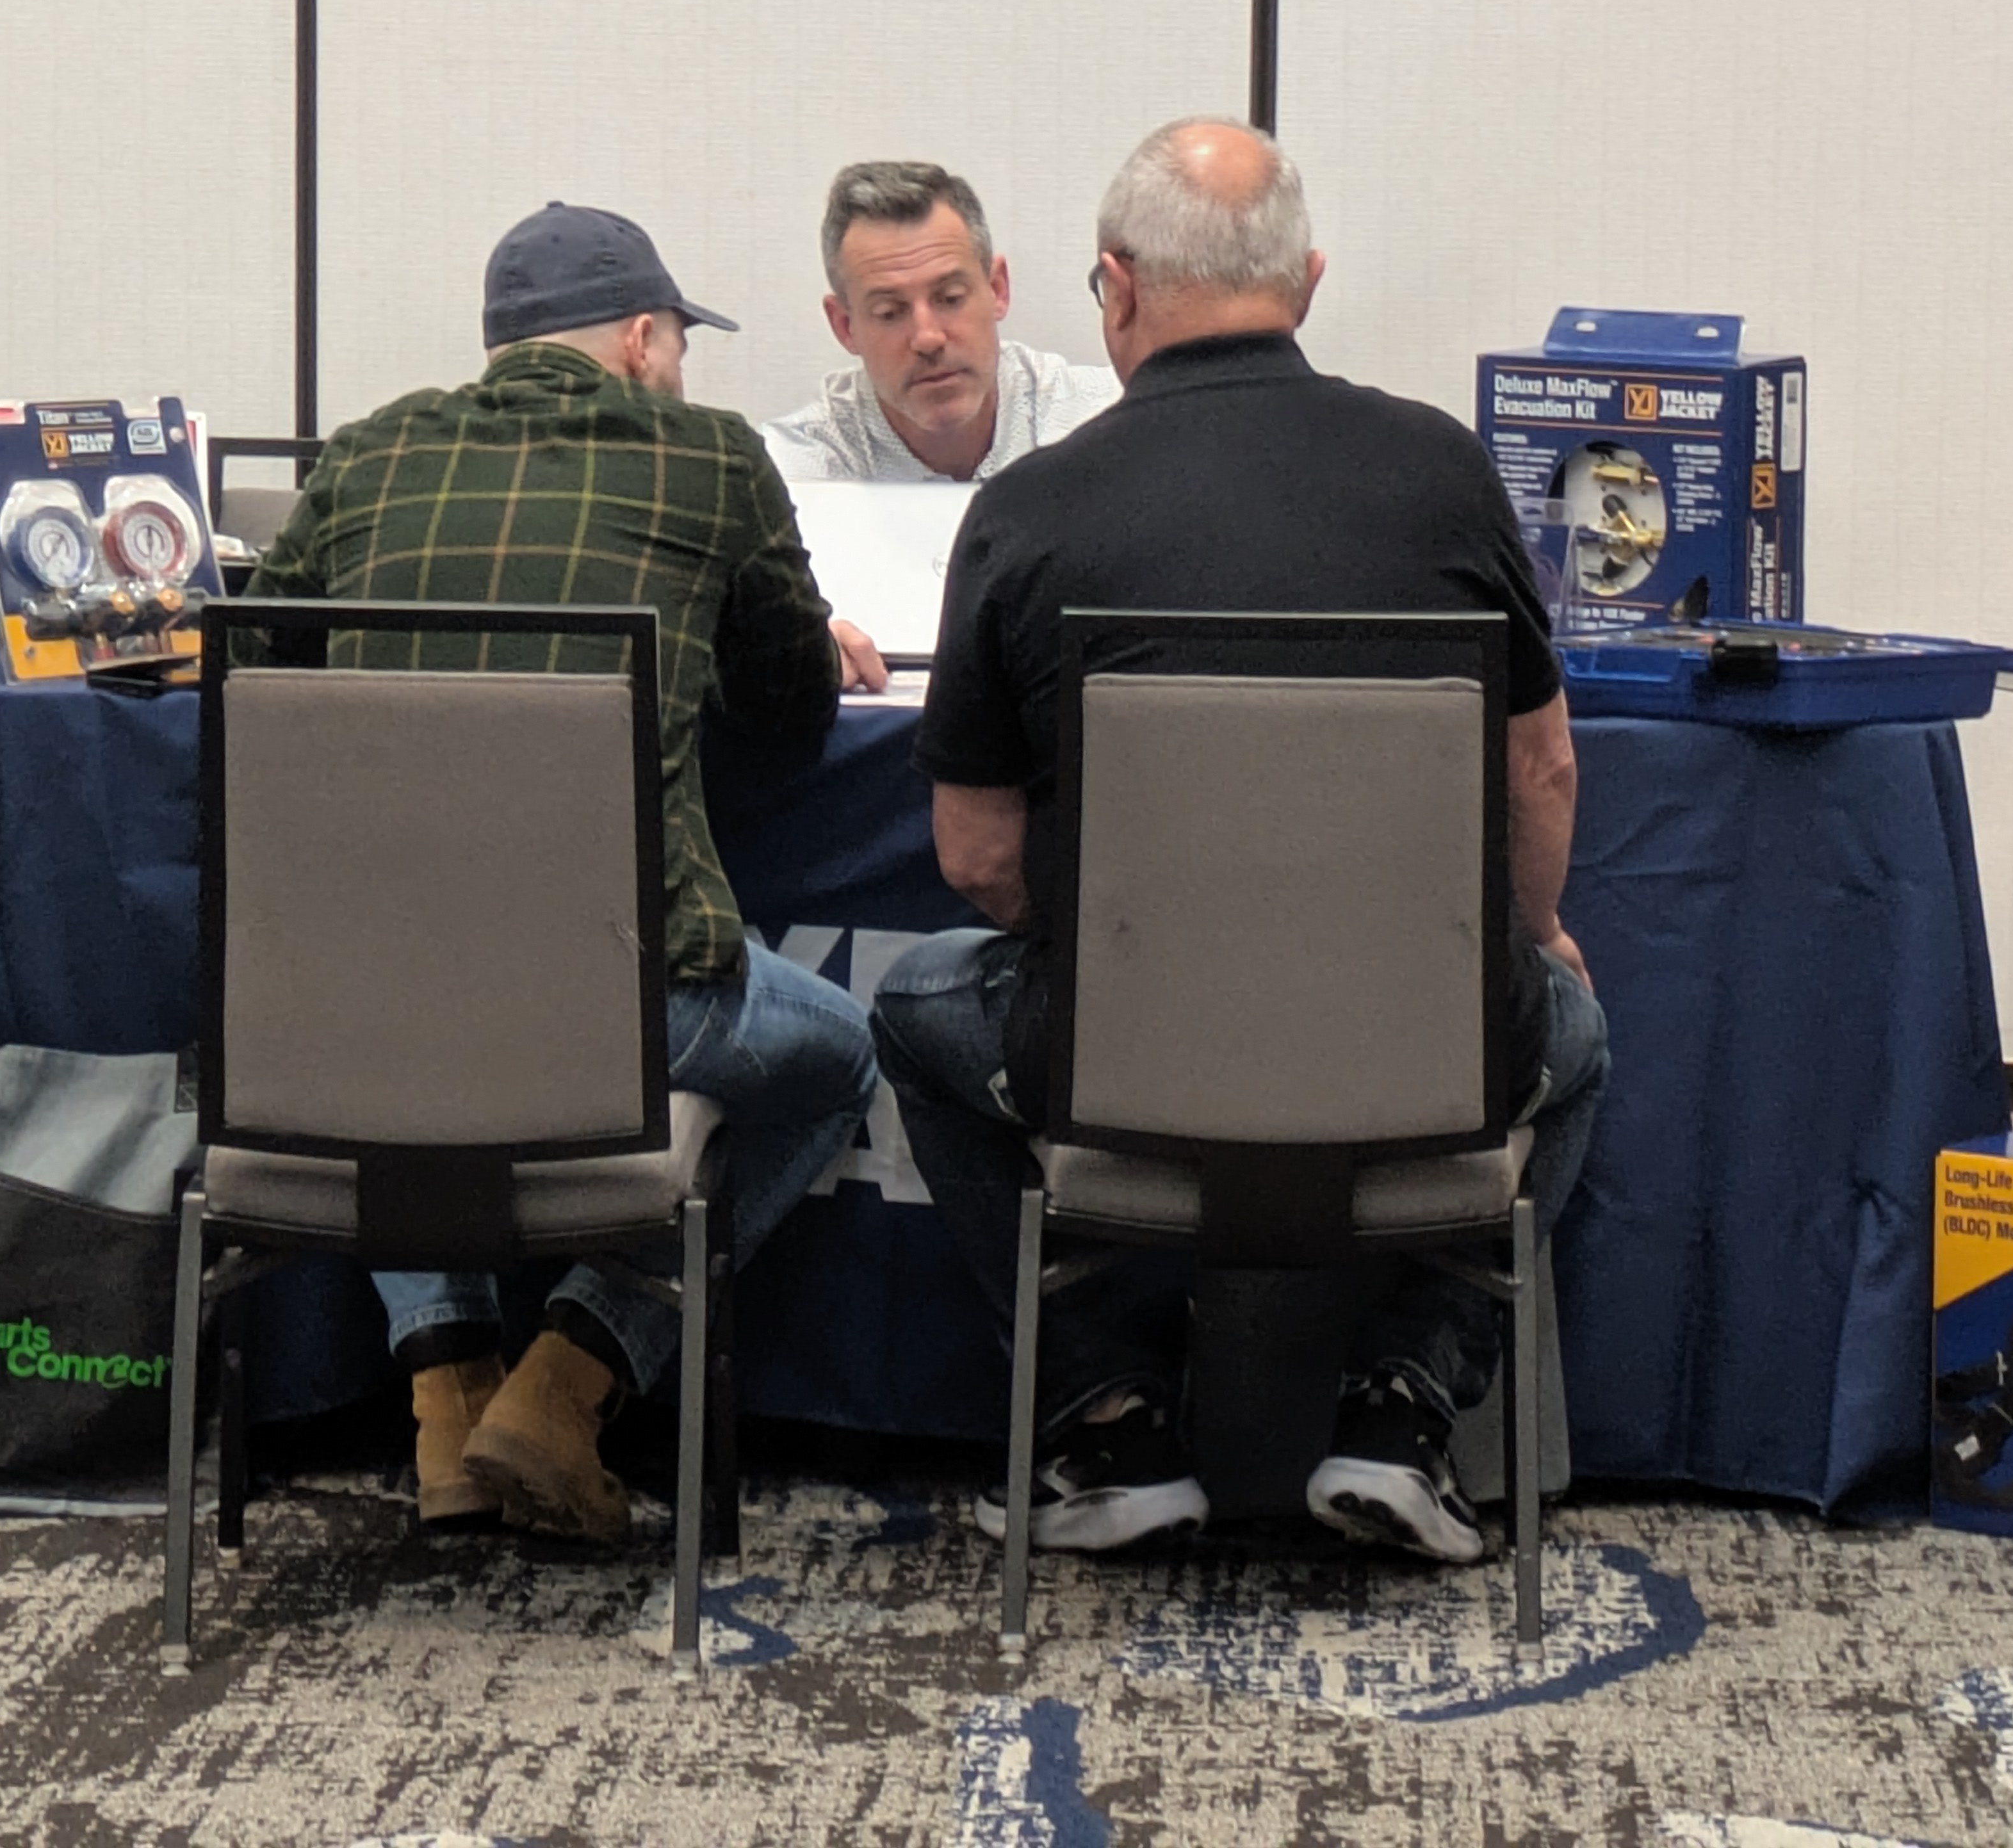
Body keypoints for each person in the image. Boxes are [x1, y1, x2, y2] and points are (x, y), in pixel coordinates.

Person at [870, 120, 1610, 1565]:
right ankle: (1404, 1401)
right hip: (1422, 1065)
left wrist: (1120, 962)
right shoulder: (1443, 471)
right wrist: (1533, 938)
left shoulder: (1025, 510)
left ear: (1113, 287)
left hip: (1115, 1078)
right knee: (1570, 1027)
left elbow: (973, 855)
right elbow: (1543, 765)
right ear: (1307, 281)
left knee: (910, 1004)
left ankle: (1106, 1414)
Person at [248, 202, 881, 1543]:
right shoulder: (712, 456)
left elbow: (259, 676)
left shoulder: (364, 454)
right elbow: (788, 705)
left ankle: (444, 1392)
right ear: (643, 338)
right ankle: (573, 1370)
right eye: (680, 344)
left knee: (394, 1032)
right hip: (622, 998)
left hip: (359, 1008)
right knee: (836, 1057)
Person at [757, 161, 1120, 485]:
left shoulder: (1106, 420)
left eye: (950, 299)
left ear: (997, 289)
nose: (928, 338)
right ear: (845, 327)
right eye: (890, 312)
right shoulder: (792, 474)